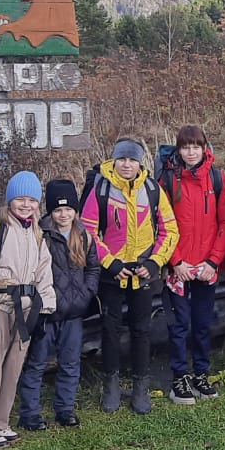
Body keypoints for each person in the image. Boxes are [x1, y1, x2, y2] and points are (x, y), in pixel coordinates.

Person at [82, 137, 178, 415]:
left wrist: (156, 261)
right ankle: (110, 384)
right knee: (110, 330)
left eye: (132, 159)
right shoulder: (100, 187)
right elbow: (86, 230)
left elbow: (169, 230)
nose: (127, 165)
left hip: (144, 272)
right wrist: (110, 262)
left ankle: (140, 386)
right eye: (122, 159)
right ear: (114, 160)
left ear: (140, 162)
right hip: (112, 273)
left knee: (141, 330)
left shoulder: (152, 189)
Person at [0, 172, 56, 445]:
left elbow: (44, 274)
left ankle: (1, 422)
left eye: (31, 200)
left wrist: (45, 310)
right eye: (21, 199)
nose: (26, 205)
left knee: (13, 367)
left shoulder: (38, 233)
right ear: (10, 200)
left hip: (26, 309)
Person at [155, 125, 225, 406]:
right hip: (179, 267)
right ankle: (179, 378)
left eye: (195, 147)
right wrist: (175, 262)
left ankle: (201, 373)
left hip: (206, 267)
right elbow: (160, 224)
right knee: (179, 326)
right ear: (178, 149)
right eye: (185, 147)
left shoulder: (217, 179)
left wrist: (213, 261)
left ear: (204, 148)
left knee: (202, 324)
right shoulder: (167, 181)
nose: (190, 152)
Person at [18, 179, 99, 429]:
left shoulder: (83, 234)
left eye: (68, 209)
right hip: (46, 313)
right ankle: (29, 413)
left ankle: (65, 409)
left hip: (74, 313)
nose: (63, 215)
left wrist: (87, 293)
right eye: (58, 210)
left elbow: (93, 267)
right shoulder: (39, 234)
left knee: (71, 363)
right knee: (36, 363)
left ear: (75, 211)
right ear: (50, 211)